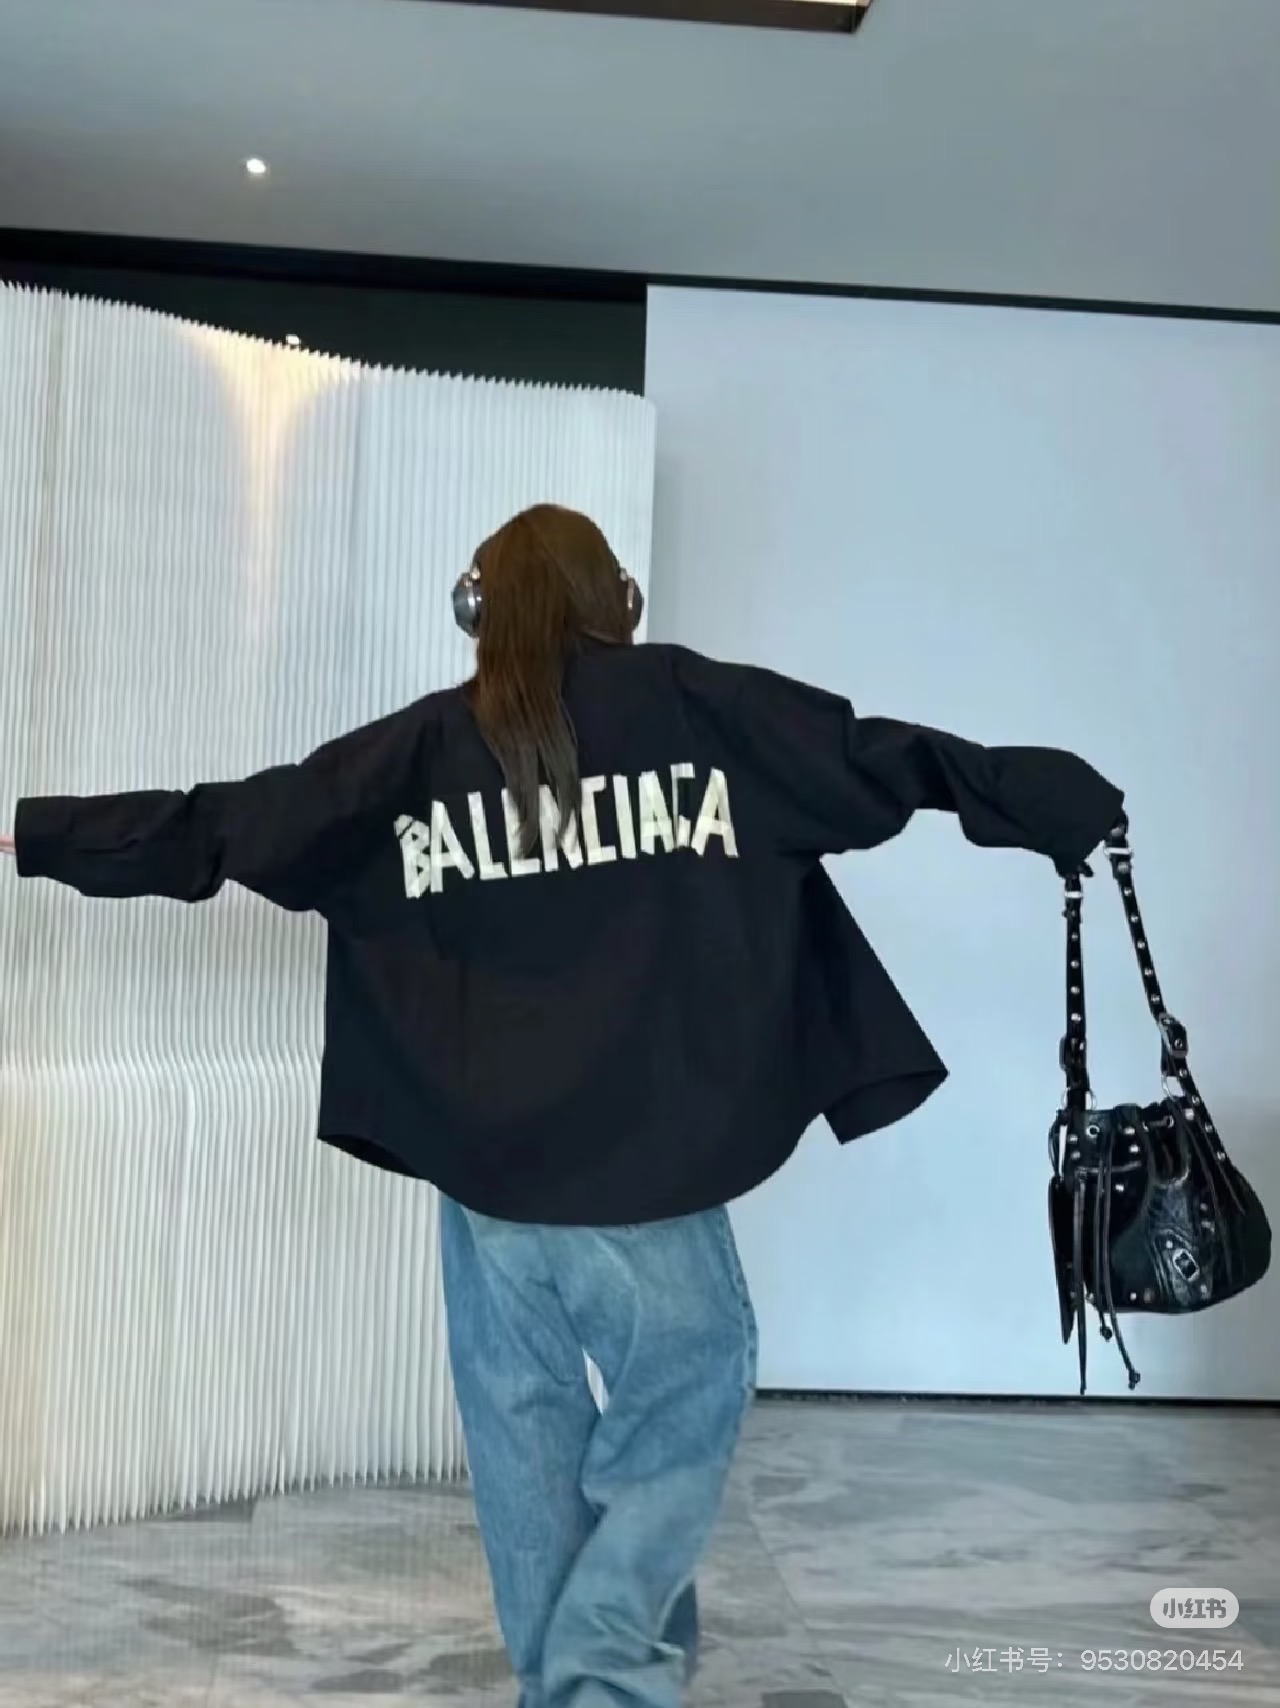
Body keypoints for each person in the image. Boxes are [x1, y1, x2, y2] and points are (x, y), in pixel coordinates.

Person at [0, 502, 1124, 1708]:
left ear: (474, 608)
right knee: (682, 1396)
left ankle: (569, 1685)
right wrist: (1042, 799)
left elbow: (226, 825)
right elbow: (873, 759)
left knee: (521, 1437)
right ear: (615, 603)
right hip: (645, 1167)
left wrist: (29, 834)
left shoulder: (419, 753)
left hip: (488, 1175)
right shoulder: (697, 709)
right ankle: (599, 1673)